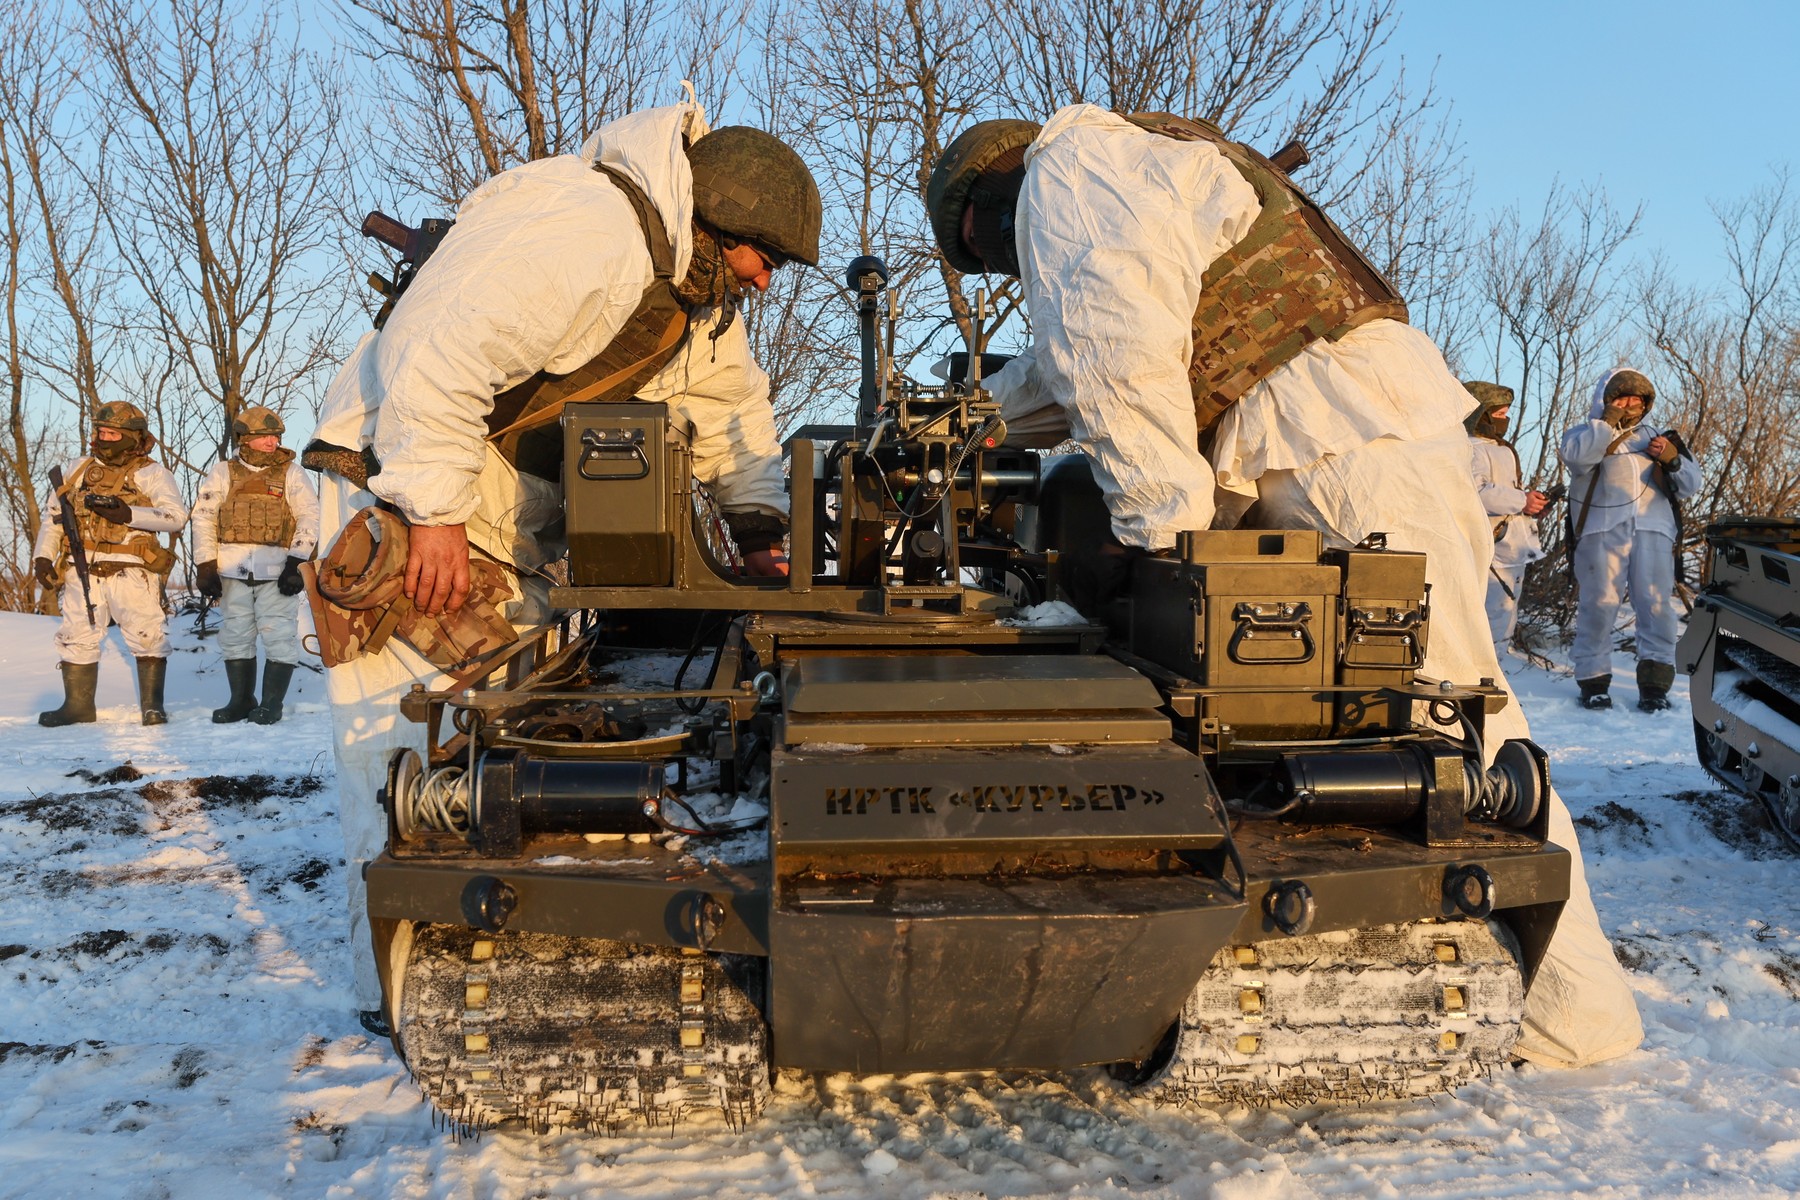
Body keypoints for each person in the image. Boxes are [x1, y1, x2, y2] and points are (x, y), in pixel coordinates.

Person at [926, 106, 1644, 1069]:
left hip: (1344, 448)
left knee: (1453, 719)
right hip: (1343, 438)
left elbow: (1118, 358)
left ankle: (1576, 1024)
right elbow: (1069, 371)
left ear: (984, 199)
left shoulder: (1072, 169)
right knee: (1387, 716)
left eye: (984, 254)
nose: (1002, 272)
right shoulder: (1130, 166)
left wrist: (1170, 541)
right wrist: (970, 421)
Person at [308, 101, 820, 1034]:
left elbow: (736, 428)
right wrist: (431, 511)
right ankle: (386, 997)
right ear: (724, 223)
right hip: (403, 495)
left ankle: (481, 948)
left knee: (504, 741)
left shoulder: (699, 307)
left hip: (499, 516)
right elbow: (439, 347)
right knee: (402, 751)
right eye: (766, 257)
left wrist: (758, 528)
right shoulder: (589, 228)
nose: (767, 279)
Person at [33, 401, 187, 727]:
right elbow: (54, 520)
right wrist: (43, 557)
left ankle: (152, 709)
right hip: (82, 567)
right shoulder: (76, 470)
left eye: (113, 433)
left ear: (132, 436)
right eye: (101, 431)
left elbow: (175, 517)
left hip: (131, 568)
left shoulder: (152, 473)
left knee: (147, 634)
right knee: (77, 635)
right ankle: (77, 707)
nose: (104, 438)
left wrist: (129, 514)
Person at [1559, 368, 1702, 712]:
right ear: (1606, 400)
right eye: (1621, 398)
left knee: (1656, 607)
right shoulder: (1585, 434)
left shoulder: (1660, 438)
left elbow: (1690, 485)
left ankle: (1655, 685)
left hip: (1653, 528)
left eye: (1636, 399)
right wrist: (1605, 424)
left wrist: (1672, 459)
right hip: (1600, 530)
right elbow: (1578, 461)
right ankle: (1593, 681)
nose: (1629, 405)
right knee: (1599, 605)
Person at [190, 405, 320, 725]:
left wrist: (297, 562)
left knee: (278, 635)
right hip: (232, 570)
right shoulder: (223, 472)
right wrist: (204, 564)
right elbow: (204, 517)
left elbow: (310, 516)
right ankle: (240, 700)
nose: (272, 442)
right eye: (264, 437)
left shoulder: (291, 472)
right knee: (235, 635)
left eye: (275, 437)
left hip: (277, 571)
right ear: (244, 439)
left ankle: (271, 704)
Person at [1465, 381, 1548, 655]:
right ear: (1481, 414)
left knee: (1504, 624)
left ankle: (1495, 686)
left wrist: (1531, 507)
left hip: (1512, 551)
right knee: (1488, 624)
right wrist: (1522, 500)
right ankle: (1481, 688)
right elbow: (1475, 492)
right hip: (1491, 552)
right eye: (1498, 414)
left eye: (1506, 414)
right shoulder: (1471, 448)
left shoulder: (1501, 449)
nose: (1504, 420)